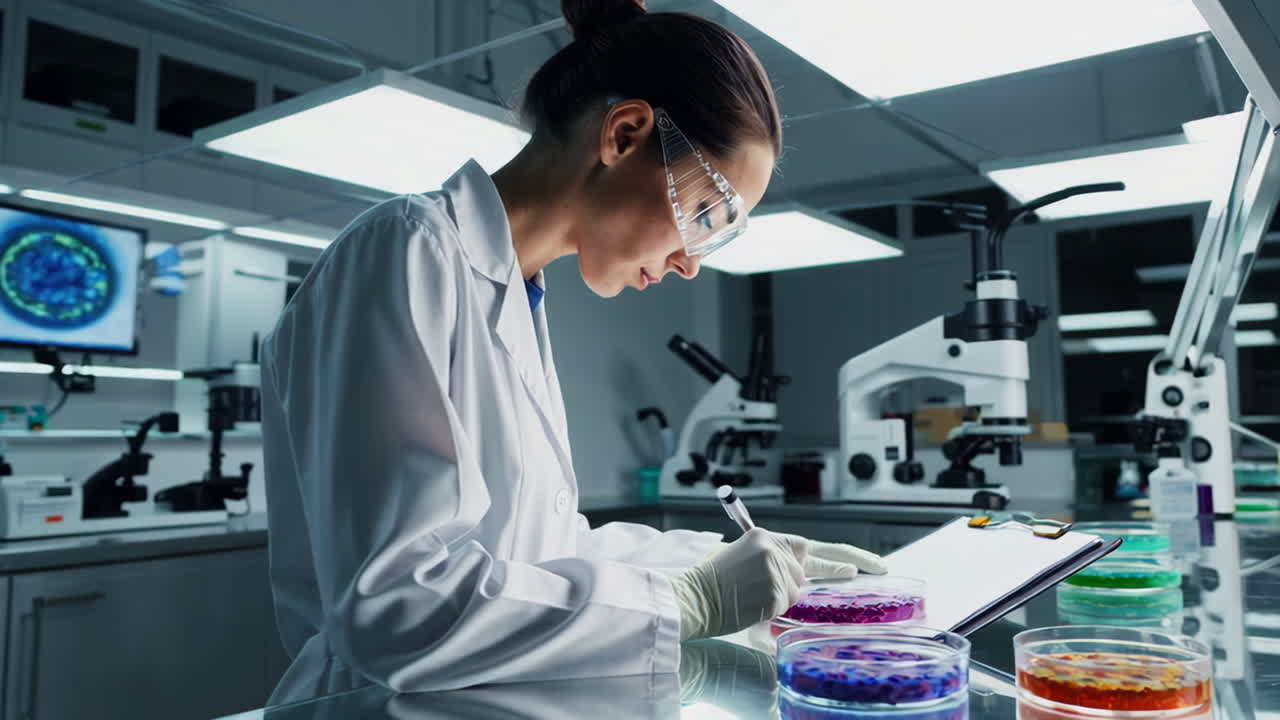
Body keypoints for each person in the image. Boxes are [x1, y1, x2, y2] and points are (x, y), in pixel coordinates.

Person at [260, 0, 886, 703]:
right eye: (706, 213)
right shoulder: (406, 252)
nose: (691, 262)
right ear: (623, 135)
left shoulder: (516, 290)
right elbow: (396, 606)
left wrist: (721, 560)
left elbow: (545, 553)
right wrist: (691, 600)